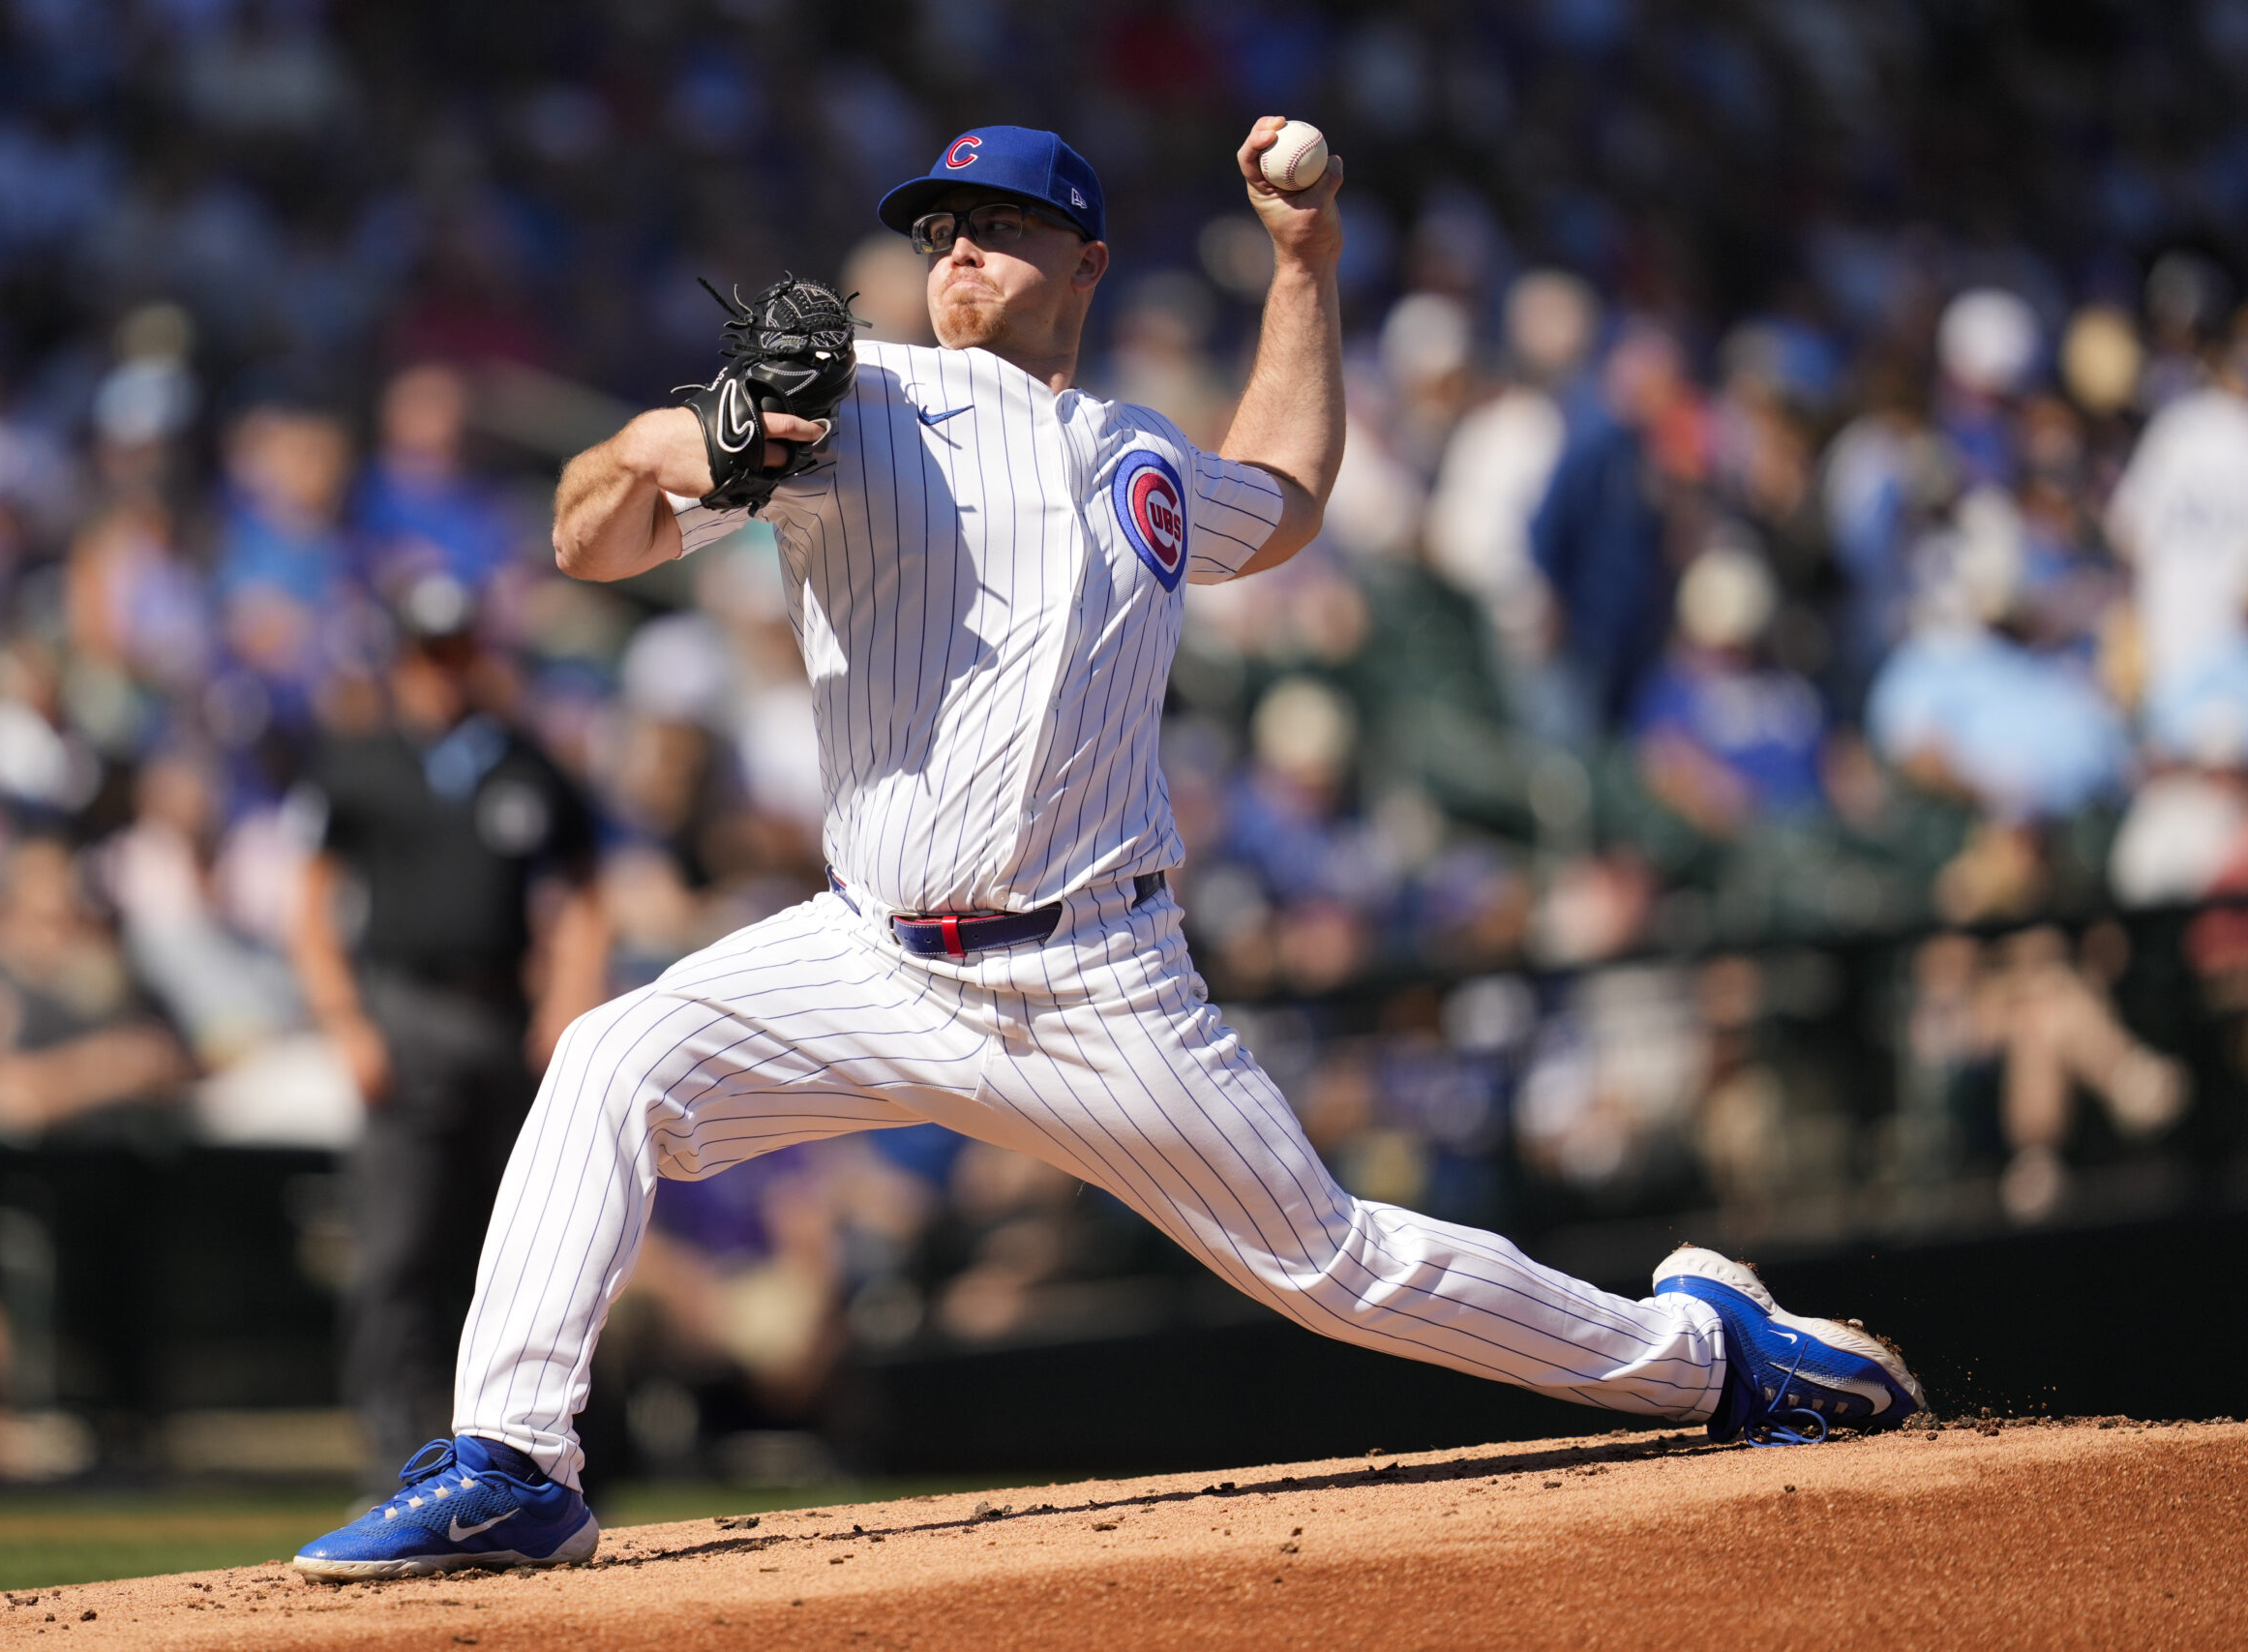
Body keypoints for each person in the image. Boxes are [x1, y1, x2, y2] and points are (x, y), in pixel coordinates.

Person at [292, 121, 1926, 1580]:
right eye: (940, 231)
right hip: (869, 951)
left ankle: (1710, 1356)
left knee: (1333, 1264)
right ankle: (513, 1464)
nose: (958, 257)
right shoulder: (856, 394)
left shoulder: (1137, 454)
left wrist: (1305, 262)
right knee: (610, 1058)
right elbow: (600, 524)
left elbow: (1280, 496)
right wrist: (697, 438)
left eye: (997, 225)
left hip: (1099, 973)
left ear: (1086, 260)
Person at [285, 573, 611, 1492]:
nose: (445, 673)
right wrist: (346, 1021)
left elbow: (586, 889)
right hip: (405, 1010)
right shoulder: (360, 763)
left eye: (459, 652)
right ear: (400, 662)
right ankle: (392, 1454)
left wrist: (568, 998)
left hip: (505, 1015)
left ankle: (544, 1453)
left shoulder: (523, 761)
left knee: (526, 1241)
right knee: (398, 1248)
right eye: (429, 656)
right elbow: (308, 901)